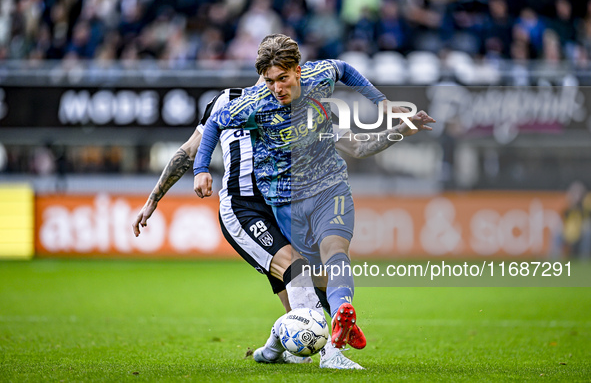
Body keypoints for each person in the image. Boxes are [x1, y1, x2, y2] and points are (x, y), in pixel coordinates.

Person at [132, 80, 419, 368]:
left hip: (279, 206)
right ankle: (330, 354)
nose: (281, 85)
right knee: (297, 270)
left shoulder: (304, 107)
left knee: (314, 284)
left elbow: (357, 146)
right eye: (273, 78)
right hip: (242, 208)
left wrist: (401, 129)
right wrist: (153, 200)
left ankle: (274, 348)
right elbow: (189, 151)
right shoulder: (227, 102)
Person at [193, 34, 434, 361]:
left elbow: (345, 71)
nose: (277, 88)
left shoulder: (319, 81)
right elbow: (216, 124)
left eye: (283, 78)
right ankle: (310, 329)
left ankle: (339, 325)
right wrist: (200, 168)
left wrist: (384, 105)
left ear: (298, 71)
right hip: (285, 199)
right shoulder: (255, 103)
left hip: (329, 187)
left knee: (335, 250)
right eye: (270, 81)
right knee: (313, 276)